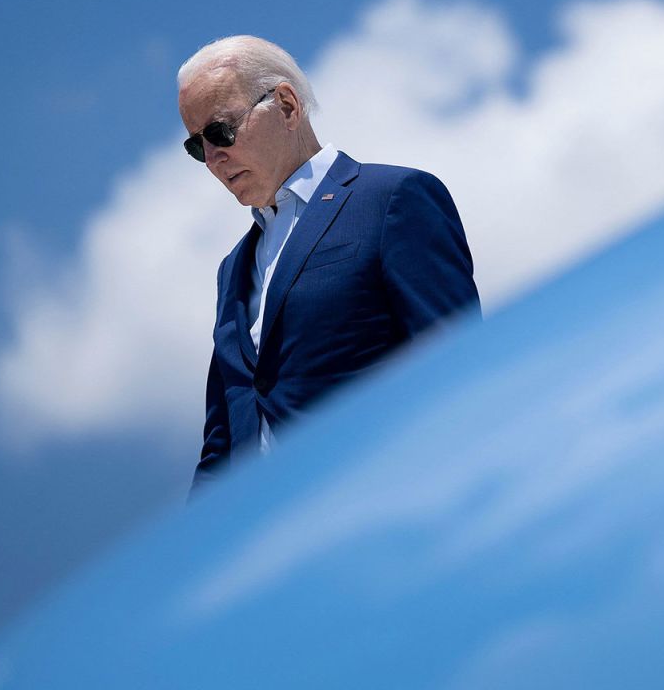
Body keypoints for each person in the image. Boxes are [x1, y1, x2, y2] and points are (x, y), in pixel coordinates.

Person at [177, 36, 480, 495]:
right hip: (267, 543)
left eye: (221, 131)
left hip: (381, 511)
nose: (214, 159)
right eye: (198, 147)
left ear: (286, 105)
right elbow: (221, 443)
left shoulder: (391, 199)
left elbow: (459, 366)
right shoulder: (232, 269)